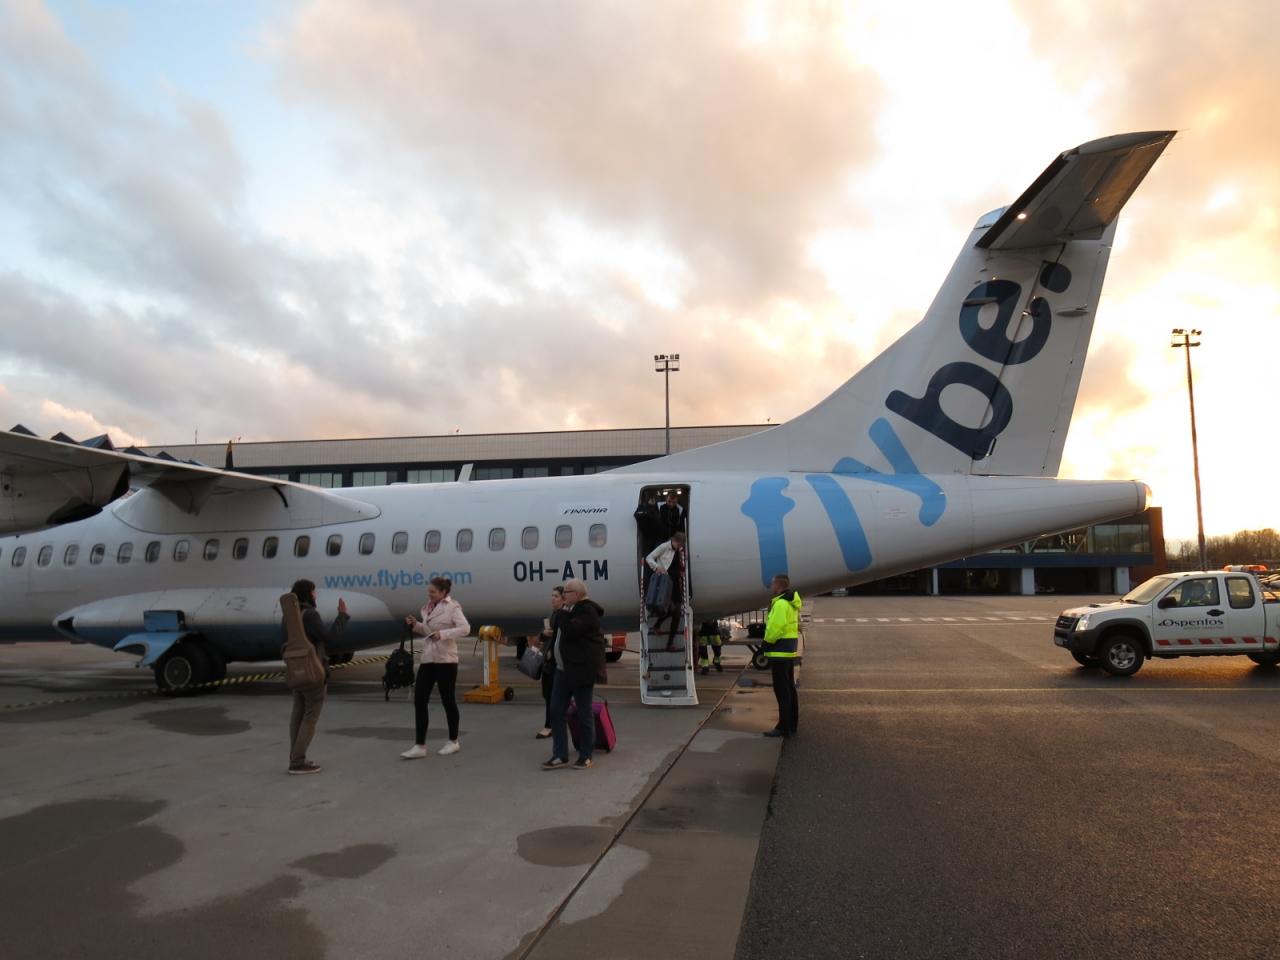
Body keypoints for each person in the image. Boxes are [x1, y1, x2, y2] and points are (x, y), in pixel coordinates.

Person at [283, 579, 349, 775]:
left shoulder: (289, 616)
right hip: (313, 672)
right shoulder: (310, 615)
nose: (316, 595)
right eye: (314, 591)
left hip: (296, 671)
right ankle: (298, 762)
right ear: (308, 593)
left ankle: (295, 756)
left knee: (297, 713)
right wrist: (342, 616)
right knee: (310, 717)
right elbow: (330, 639)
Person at [400, 577, 470, 759]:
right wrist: (416, 625)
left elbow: (465, 628)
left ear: (443, 592)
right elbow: (427, 630)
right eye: (429, 591)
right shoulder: (427, 608)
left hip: (446, 660)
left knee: (448, 700)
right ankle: (420, 745)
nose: (429, 594)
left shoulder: (452, 607)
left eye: (433, 592)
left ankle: (453, 741)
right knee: (419, 700)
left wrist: (443, 634)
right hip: (428, 659)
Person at [543, 579, 606, 770]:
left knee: (584, 713)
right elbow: (560, 635)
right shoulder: (568, 610)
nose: (563, 595)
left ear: (577, 595)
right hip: (563, 670)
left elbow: (570, 631)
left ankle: (585, 755)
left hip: (580, 671)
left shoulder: (586, 611)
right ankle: (560, 754)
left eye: (567, 592)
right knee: (556, 710)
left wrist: (561, 612)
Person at [762, 574, 801, 738]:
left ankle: (783, 727)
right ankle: (791, 723)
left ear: (778, 585)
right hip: (788, 650)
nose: (771, 586)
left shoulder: (780, 604)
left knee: (781, 691)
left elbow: (776, 627)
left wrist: (766, 642)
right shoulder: (790, 602)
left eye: (772, 584)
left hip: (779, 651)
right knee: (789, 688)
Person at [531, 586, 566, 739]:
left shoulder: (562, 616)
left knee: (552, 696)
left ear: (563, 599)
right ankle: (552, 724)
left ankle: (550, 726)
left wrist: (551, 649)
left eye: (556, 596)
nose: (552, 598)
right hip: (548, 661)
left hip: (555, 662)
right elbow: (548, 636)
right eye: (552, 595)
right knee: (548, 695)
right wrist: (543, 634)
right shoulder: (554, 614)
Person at [646, 532, 686, 649]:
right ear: (674, 540)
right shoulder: (664, 547)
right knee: (670, 609)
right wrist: (656, 567)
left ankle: (669, 642)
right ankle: (657, 626)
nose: (679, 547)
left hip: (676, 584)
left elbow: (680, 566)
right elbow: (649, 558)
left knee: (677, 613)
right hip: (666, 584)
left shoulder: (678, 551)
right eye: (678, 544)